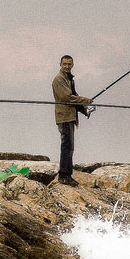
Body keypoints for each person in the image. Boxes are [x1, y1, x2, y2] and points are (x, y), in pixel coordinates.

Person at [52, 55, 93, 186]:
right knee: (66, 146)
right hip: (64, 117)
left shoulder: (69, 79)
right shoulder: (59, 79)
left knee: (70, 147)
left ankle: (67, 175)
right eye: (64, 64)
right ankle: (64, 176)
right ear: (60, 64)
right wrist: (86, 100)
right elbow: (67, 98)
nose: (67, 66)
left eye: (69, 64)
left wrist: (84, 110)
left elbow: (73, 97)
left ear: (72, 65)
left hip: (70, 116)